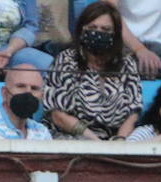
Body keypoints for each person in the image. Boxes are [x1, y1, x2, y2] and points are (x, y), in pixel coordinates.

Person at [43, 1, 141, 139]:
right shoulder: (66, 60)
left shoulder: (127, 64)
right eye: (93, 27)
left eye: (105, 29)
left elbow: (133, 113)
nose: (98, 33)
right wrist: (95, 142)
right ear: (82, 29)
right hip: (72, 136)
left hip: (114, 140)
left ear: (115, 33)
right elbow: (58, 115)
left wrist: (120, 142)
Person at [0, 62, 52, 137]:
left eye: (34, 88)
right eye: (20, 86)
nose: (28, 92)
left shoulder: (41, 131)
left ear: (41, 96)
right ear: (4, 93)